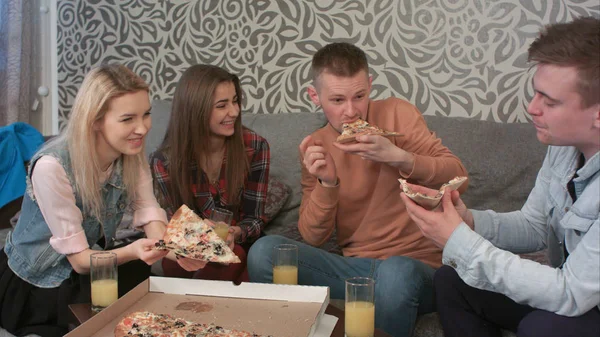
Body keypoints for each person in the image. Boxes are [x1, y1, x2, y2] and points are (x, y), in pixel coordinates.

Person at [247, 42, 468, 336]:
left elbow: (459, 177)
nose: (351, 111)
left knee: (396, 274)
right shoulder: (316, 145)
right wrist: (328, 183)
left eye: (359, 96)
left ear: (370, 86)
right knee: (264, 252)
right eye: (337, 100)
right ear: (315, 96)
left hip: (418, 270)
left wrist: (398, 157)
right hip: (357, 272)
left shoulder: (398, 114)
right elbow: (313, 236)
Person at [401, 17, 600, 337]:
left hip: (583, 299)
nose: (532, 108)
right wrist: (467, 222)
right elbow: (535, 226)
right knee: (451, 280)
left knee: (543, 328)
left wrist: (460, 242)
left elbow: (571, 293)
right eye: (536, 94)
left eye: (549, 102)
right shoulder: (563, 148)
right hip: (574, 294)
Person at [0, 64, 204, 337]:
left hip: (89, 274)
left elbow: (149, 213)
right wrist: (134, 251)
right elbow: (80, 260)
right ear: (95, 119)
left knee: (149, 306)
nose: (142, 129)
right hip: (35, 285)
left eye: (146, 115)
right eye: (127, 119)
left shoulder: (131, 153)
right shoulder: (52, 166)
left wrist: (176, 251)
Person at [150, 64, 270, 284]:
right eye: (222, 105)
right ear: (195, 110)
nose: (234, 112)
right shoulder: (165, 161)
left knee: (235, 257)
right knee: (173, 262)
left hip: (239, 246)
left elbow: (254, 219)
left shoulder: (254, 147)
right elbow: (171, 226)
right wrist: (199, 235)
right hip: (191, 249)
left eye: (235, 101)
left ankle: (193, 310)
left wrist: (235, 232)